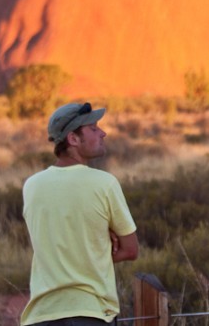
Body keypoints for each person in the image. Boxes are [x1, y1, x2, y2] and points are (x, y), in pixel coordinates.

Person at [20, 102, 139, 326]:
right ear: (73, 139)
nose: (103, 133)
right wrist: (100, 246)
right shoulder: (104, 184)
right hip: (90, 313)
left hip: (41, 316)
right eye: (93, 129)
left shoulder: (32, 185)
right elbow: (131, 250)